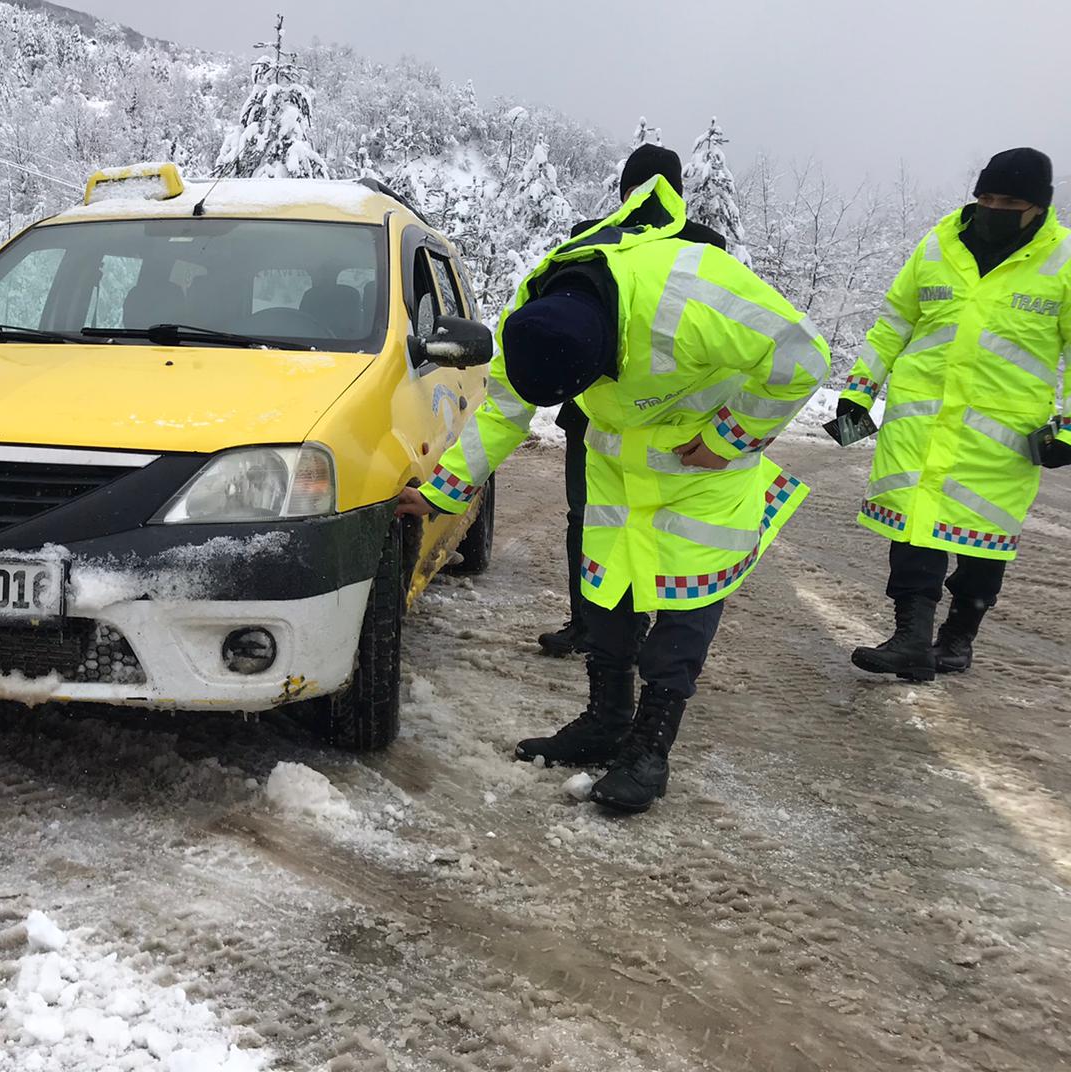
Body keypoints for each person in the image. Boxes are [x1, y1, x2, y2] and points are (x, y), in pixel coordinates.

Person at [398, 174, 828, 813]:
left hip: (701, 477)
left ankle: (649, 750)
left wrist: (730, 437)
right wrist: (443, 492)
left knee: (684, 611)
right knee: (605, 598)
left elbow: (802, 356)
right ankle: (605, 720)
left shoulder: (694, 291)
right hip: (616, 475)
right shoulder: (533, 314)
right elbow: (503, 414)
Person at [840, 148, 1070, 682]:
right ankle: (912, 638)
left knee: (981, 540)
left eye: (1009, 201)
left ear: (1038, 206)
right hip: (921, 420)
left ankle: (957, 639)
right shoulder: (938, 245)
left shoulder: (1061, 261)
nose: (993, 209)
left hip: (1002, 433)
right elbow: (895, 321)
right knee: (916, 527)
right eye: (986, 197)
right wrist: (859, 389)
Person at [540, 145, 729, 658]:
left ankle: (652, 634)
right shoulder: (591, 239)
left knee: (666, 529)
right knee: (588, 519)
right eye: (634, 189)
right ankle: (591, 623)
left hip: (673, 423)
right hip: (594, 416)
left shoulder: (705, 249)